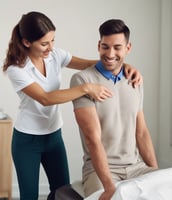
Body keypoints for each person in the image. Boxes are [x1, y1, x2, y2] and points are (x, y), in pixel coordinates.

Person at [2, 11, 141, 200]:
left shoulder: (55, 55)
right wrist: (85, 88)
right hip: (27, 141)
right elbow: (45, 98)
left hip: (53, 137)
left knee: (61, 192)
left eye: (53, 41)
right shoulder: (16, 69)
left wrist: (124, 66)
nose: (50, 47)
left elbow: (90, 64)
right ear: (27, 42)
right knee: (29, 196)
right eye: (44, 44)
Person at [70, 19, 158, 200]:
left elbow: (141, 133)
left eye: (117, 47)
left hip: (136, 167)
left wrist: (154, 174)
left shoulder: (135, 80)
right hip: (100, 170)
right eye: (105, 46)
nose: (110, 53)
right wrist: (109, 186)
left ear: (128, 48)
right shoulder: (82, 80)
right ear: (98, 46)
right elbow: (92, 138)